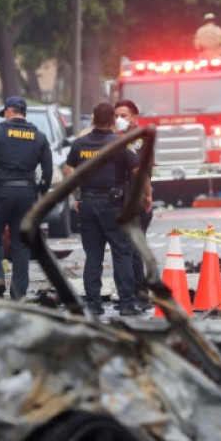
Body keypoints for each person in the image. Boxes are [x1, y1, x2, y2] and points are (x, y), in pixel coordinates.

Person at [65, 102, 140, 316]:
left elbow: (68, 170)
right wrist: (144, 197)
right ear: (113, 121)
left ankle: (93, 305)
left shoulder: (80, 144)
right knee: (122, 254)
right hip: (114, 206)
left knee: (94, 256)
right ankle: (126, 305)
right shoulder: (121, 143)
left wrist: (76, 196)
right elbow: (138, 171)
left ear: (93, 120)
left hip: (88, 204)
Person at [0, 96, 53, 300]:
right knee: (21, 243)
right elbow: (48, 170)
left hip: (1, 193)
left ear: (9, 111)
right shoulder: (39, 136)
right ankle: (18, 291)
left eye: (5, 113)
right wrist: (40, 192)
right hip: (27, 194)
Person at [114, 99, 154, 310]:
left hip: (137, 202)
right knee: (123, 250)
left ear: (134, 118)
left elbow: (142, 171)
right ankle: (129, 294)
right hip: (118, 201)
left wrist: (147, 198)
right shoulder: (116, 138)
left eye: (124, 116)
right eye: (116, 116)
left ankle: (140, 295)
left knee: (135, 250)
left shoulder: (141, 140)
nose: (119, 120)